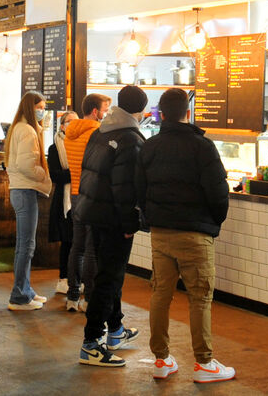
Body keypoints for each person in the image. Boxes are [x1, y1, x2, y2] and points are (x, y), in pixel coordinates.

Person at [136, 88, 234, 383]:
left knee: (160, 294)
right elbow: (218, 192)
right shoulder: (202, 146)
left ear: (161, 114)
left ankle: (161, 360)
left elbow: (139, 190)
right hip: (195, 232)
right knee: (200, 297)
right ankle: (204, 364)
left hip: (161, 233)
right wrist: (213, 221)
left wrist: (152, 217)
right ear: (188, 114)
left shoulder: (150, 147)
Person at [74, 85, 149, 367]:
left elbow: (87, 173)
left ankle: (115, 331)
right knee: (110, 278)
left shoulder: (100, 131)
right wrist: (132, 222)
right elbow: (126, 188)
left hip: (93, 211)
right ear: (140, 110)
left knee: (108, 274)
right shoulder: (130, 139)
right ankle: (91, 344)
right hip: (115, 218)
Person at [4, 91, 52, 310]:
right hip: (25, 190)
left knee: (25, 245)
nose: (43, 111)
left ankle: (26, 290)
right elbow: (26, 165)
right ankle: (19, 295)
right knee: (26, 246)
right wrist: (43, 174)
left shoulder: (19, 128)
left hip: (20, 189)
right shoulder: (28, 131)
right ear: (30, 108)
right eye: (40, 107)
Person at [64, 93, 111, 312]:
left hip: (75, 193)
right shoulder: (96, 133)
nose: (106, 114)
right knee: (92, 248)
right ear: (95, 112)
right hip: (92, 194)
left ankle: (72, 296)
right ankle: (89, 299)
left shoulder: (70, 133)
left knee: (77, 246)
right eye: (105, 109)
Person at [47, 111, 78, 295]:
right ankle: (64, 278)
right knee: (67, 241)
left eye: (77, 121)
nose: (74, 125)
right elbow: (56, 176)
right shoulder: (55, 148)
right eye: (70, 122)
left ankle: (77, 279)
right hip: (64, 201)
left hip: (80, 197)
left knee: (79, 243)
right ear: (63, 125)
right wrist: (76, 172)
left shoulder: (83, 143)